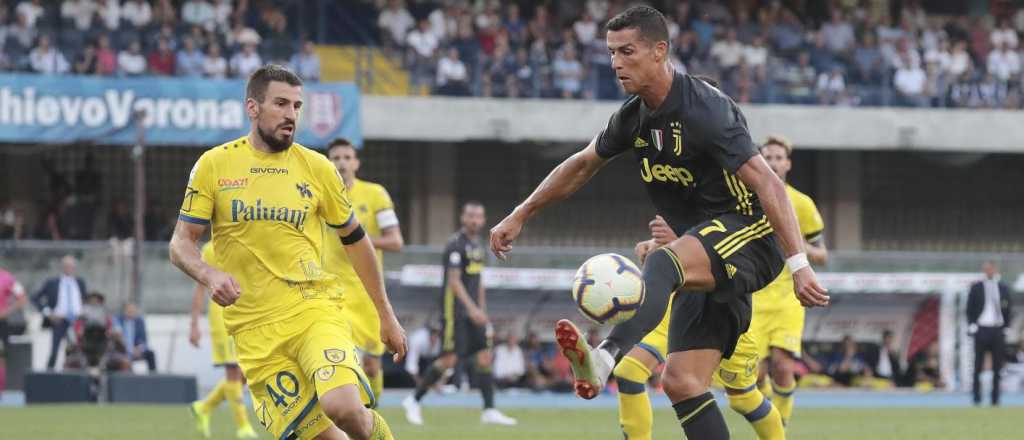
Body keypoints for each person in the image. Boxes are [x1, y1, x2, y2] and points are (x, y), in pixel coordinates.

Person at [488, 6, 827, 440]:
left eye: (627, 51)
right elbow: (582, 163)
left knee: (665, 264)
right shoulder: (633, 117)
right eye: (611, 53)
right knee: (682, 383)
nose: (615, 63)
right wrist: (522, 213)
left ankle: (604, 356)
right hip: (704, 250)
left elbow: (769, 183)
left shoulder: (706, 108)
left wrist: (799, 265)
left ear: (659, 51)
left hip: (749, 237)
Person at [169, 64, 406, 440]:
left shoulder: (318, 168)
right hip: (254, 331)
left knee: (344, 408)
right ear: (253, 107)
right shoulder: (214, 166)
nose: (291, 114)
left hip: (313, 309)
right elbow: (181, 243)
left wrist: (385, 314)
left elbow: (356, 239)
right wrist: (210, 274)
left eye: (297, 106)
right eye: (280, 103)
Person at [403, 202, 517, 426]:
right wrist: (472, 309)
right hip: (455, 312)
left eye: (479, 216)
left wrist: (482, 311)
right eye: (471, 215)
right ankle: (413, 400)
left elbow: (479, 282)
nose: (475, 220)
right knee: (449, 359)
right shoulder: (455, 244)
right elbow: (454, 283)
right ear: (463, 218)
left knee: (484, 356)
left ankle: (489, 410)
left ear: (483, 221)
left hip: (474, 312)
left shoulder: (480, 246)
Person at [751, 135, 827, 425]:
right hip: (754, 296)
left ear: (788, 164)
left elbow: (822, 254)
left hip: (788, 297)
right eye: (767, 157)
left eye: (778, 158)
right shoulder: (746, 197)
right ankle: (769, 409)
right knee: (755, 375)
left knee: (783, 366)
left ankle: (778, 426)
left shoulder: (802, 204)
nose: (772, 162)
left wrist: (795, 244)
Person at [324, 137, 405, 406]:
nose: (342, 163)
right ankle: (351, 418)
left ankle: (372, 412)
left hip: (367, 293)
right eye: (336, 158)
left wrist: (356, 239)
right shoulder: (318, 195)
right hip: (331, 293)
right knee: (343, 360)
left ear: (356, 163)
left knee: (371, 366)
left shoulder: (375, 194)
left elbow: (395, 241)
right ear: (328, 163)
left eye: (347, 157)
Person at [188, 242, 258, 439]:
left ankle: (204, 407)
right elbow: (200, 288)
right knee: (233, 370)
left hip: (246, 314)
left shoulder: (245, 240)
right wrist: (194, 324)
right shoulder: (210, 249)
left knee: (245, 371)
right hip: (222, 317)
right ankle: (243, 427)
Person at [966, 260, 1013, 406]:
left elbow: (1008, 308)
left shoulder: (1003, 287)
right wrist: (972, 325)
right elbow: (969, 309)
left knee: (997, 367)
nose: (989, 271)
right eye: (986, 269)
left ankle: (995, 398)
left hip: (997, 329)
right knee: (978, 365)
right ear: (984, 270)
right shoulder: (976, 288)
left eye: (991, 269)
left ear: (995, 269)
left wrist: (1006, 326)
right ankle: (977, 397)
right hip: (982, 329)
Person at [32, 255, 86, 371]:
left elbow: (84, 300)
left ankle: (73, 377)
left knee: (76, 351)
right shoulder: (52, 282)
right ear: (62, 267)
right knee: (55, 351)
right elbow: (35, 298)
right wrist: (48, 313)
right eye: (66, 266)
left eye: (71, 266)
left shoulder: (80, 282)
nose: (69, 268)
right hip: (59, 320)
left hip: (77, 321)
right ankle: (49, 376)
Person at [112, 302, 157, 373]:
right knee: (118, 358)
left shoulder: (139, 321)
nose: (131, 312)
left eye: (133, 310)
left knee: (150, 353)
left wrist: (139, 348)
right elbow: (118, 337)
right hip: (121, 350)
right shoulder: (117, 320)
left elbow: (143, 339)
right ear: (124, 311)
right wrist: (129, 349)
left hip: (136, 350)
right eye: (129, 310)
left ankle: (154, 376)